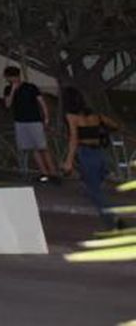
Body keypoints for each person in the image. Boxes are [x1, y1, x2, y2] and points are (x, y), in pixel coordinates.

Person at [61, 87, 123, 228]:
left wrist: (68, 161)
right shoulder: (96, 116)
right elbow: (115, 125)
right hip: (99, 152)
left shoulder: (71, 116)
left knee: (95, 191)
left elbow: (73, 139)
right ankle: (92, 185)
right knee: (93, 179)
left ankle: (111, 220)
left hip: (86, 152)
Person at [2, 66, 58, 183]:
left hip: (34, 120)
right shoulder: (8, 89)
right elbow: (8, 104)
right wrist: (13, 90)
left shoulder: (30, 87)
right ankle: (44, 173)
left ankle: (53, 173)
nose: (12, 80)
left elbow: (41, 101)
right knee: (33, 148)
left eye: (13, 77)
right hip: (20, 122)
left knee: (43, 147)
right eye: (9, 78)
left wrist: (46, 116)